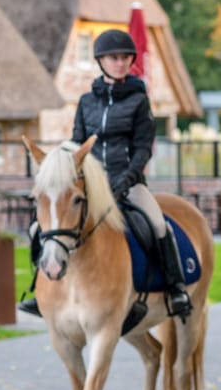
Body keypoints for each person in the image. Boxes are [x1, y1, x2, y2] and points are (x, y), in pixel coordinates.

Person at [22, 28, 191, 322]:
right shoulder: (87, 102)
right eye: (114, 58)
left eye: (126, 57)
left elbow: (142, 149)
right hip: (88, 184)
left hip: (128, 183)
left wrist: (125, 179)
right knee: (40, 228)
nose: (121, 62)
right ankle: (42, 290)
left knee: (157, 224)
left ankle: (175, 288)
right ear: (101, 61)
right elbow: (77, 143)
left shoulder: (139, 101)